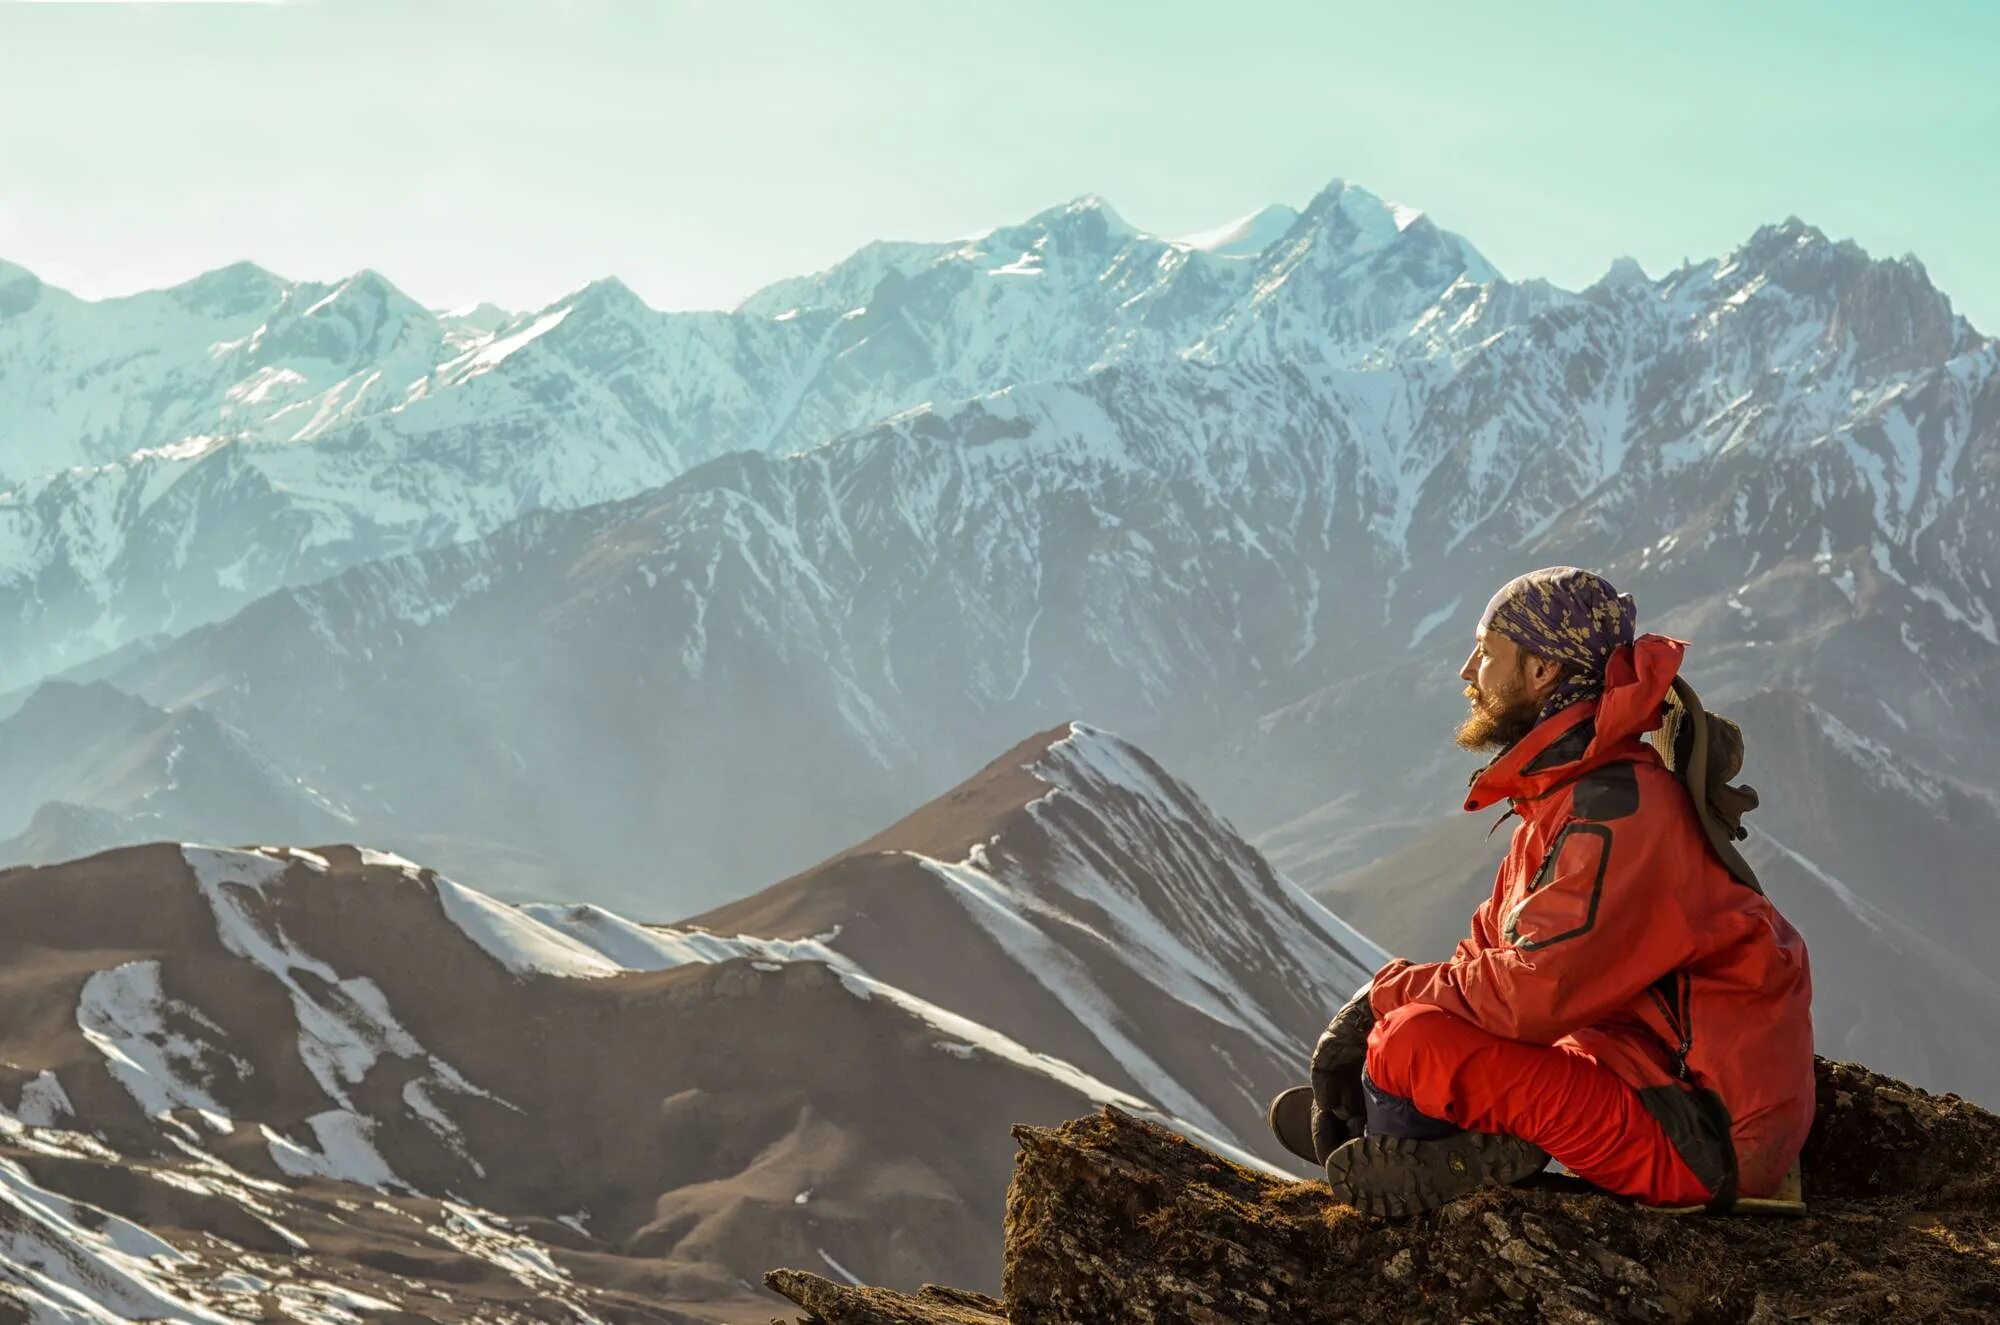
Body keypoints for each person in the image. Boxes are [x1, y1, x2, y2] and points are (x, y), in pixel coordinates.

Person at [1269, 567, 1815, 1215]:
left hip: (1697, 1139)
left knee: (1409, 1043)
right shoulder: (1570, 799)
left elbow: (1532, 992)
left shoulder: (1616, 812)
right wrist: (1382, 1010)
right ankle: (1389, 1135)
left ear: (1541, 672)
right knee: (1409, 1034)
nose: (1468, 671)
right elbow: (1484, 958)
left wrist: (1381, 1005)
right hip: (1651, 1080)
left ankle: (1413, 1150)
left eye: (1487, 651)